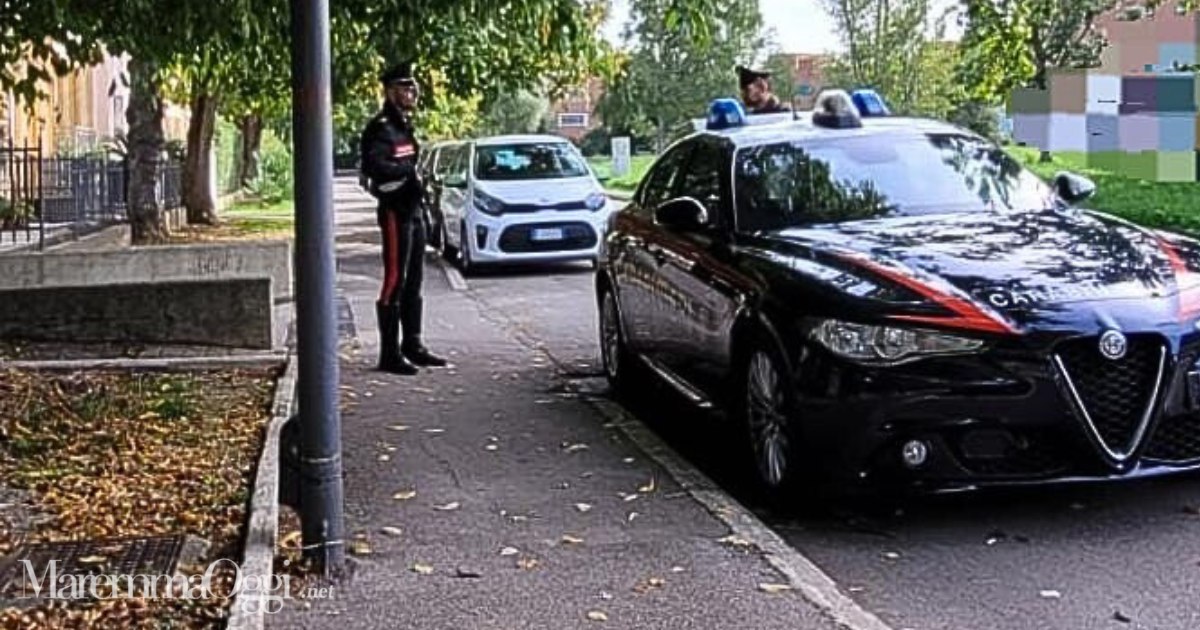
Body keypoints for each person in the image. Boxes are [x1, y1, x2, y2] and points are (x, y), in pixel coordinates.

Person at [359, 60, 447, 375]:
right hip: (395, 211)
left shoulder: (403, 126)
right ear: (390, 90)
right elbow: (373, 169)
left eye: (412, 86)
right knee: (394, 280)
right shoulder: (381, 127)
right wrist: (408, 174)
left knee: (415, 280)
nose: (412, 92)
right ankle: (389, 353)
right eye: (405, 87)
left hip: (414, 210)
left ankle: (413, 343)